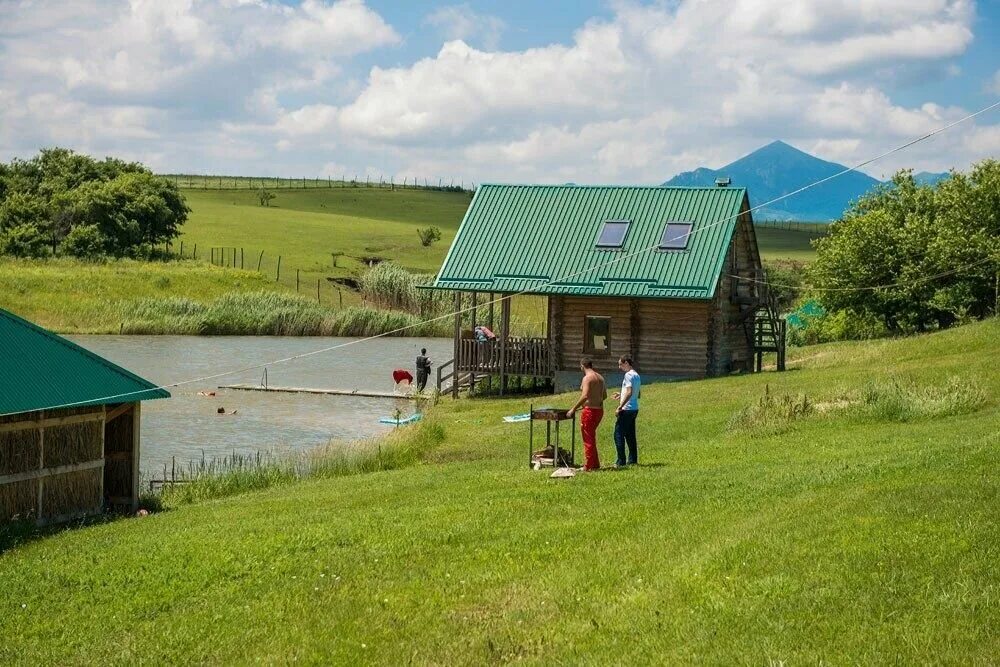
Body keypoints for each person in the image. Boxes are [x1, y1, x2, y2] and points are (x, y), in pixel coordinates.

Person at [566, 357, 607, 471]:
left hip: (589, 412)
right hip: (599, 410)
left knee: (588, 438)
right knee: (591, 437)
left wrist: (573, 409)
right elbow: (604, 396)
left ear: (582, 366)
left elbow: (585, 396)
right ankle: (595, 464)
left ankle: (588, 466)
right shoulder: (600, 377)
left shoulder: (587, 378)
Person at [612, 356, 640, 466]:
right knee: (630, 435)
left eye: (621, 364)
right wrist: (621, 395)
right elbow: (637, 393)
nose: (619, 367)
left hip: (627, 409)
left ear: (627, 363)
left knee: (618, 434)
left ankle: (621, 461)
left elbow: (629, 392)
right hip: (634, 408)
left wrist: (620, 407)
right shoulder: (636, 375)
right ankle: (633, 460)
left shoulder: (628, 375)